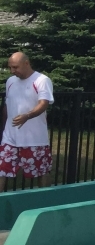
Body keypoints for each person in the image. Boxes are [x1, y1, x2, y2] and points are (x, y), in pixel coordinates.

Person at [0, 52, 55, 190]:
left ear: (26, 63)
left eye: (15, 67)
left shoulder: (41, 80)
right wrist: (3, 127)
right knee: (1, 169)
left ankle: (44, 201)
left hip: (34, 139)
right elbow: (8, 104)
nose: (13, 71)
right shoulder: (10, 82)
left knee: (41, 171)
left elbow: (44, 103)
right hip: (10, 137)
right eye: (10, 67)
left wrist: (27, 116)